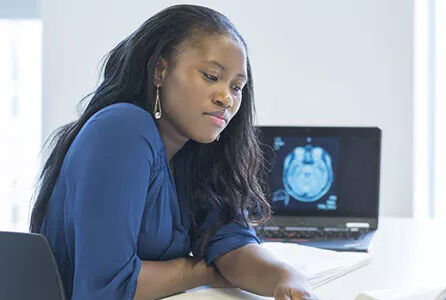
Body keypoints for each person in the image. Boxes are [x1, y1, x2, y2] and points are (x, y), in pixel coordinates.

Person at [29, 4, 318, 300]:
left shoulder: (194, 156)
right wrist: (199, 271)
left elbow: (233, 246)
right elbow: (109, 287)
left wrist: (287, 278)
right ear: (160, 71)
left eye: (237, 86)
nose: (226, 98)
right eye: (210, 76)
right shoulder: (122, 129)